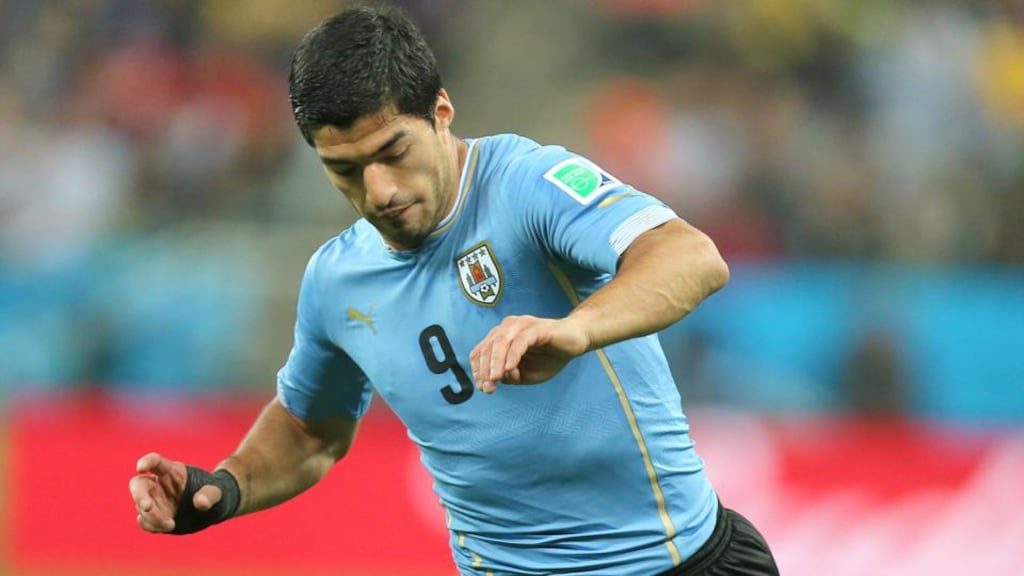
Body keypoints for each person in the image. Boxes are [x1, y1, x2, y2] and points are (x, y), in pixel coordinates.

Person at [128, 5, 778, 575]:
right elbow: (308, 430)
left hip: (677, 565)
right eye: (345, 170)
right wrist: (226, 486)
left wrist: (577, 329)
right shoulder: (336, 280)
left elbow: (690, 256)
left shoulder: (528, 184)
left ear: (440, 112)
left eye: (392, 151)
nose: (377, 191)